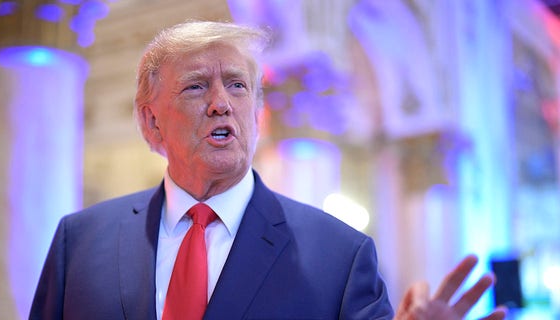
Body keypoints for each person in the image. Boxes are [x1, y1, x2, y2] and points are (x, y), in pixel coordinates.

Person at [29, 21, 507, 320]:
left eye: (237, 86)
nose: (221, 104)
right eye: (196, 87)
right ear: (151, 121)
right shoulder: (80, 243)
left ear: (257, 112)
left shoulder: (339, 257)